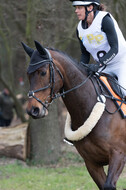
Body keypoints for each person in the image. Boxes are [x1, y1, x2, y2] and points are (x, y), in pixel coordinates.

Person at [69, 0, 126, 98]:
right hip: (103, 67)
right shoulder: (79, 29)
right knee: (93, 93)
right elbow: (85, 54)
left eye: (79, 8)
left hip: (121, 63)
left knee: (123, 91)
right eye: (76, 8)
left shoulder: (104, 20)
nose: (76, 11)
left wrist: (98, 64)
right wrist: (80, 69)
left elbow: (115, 48)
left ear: (90, 8)